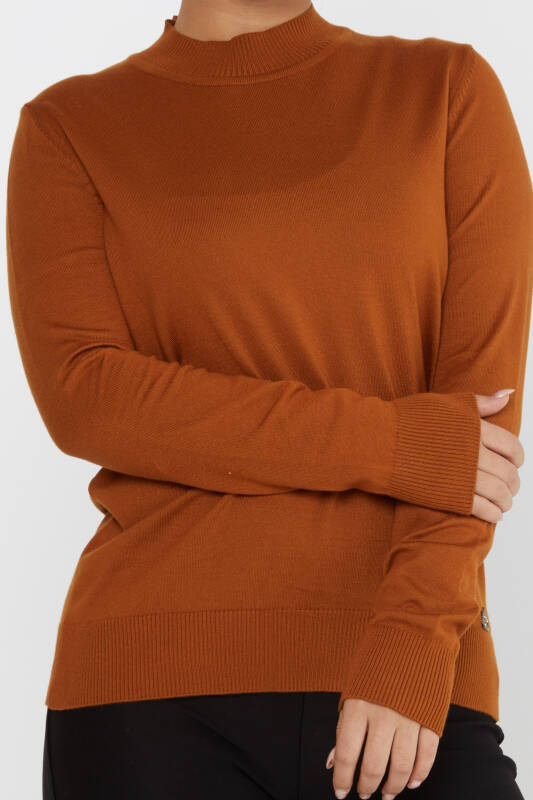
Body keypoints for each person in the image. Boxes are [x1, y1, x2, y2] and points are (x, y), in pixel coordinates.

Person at [6, 1, 532, 798]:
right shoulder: (69, 128)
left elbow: (478, 426)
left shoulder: (444, 89)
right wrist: (395, 444)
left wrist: (412, 642)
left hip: (404, 680)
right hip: (148, 691)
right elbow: (88, 396)